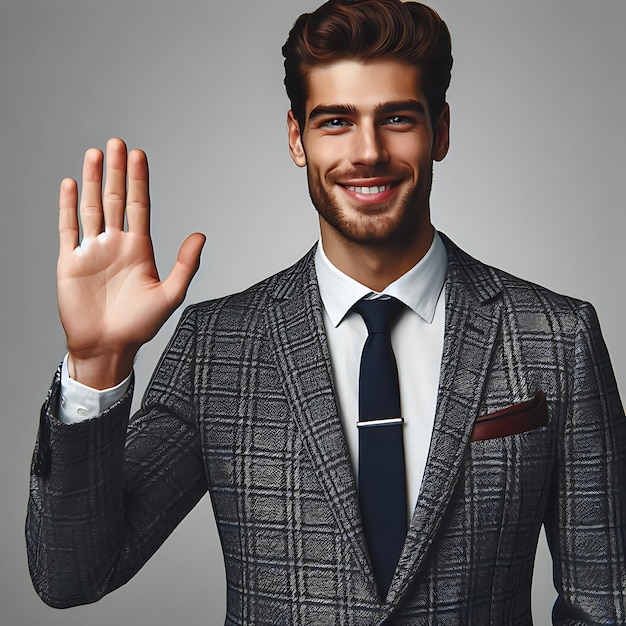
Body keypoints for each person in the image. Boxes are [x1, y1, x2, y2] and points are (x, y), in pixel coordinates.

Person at [26, 0, 625, 624]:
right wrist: (96, 365)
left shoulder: (556, 338)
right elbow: (73, 574)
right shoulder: (218, 345)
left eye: (396, 118)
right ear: (296, 137)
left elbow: (604, 602)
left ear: (440, 130)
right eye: (336, 121)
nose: (367, 152)